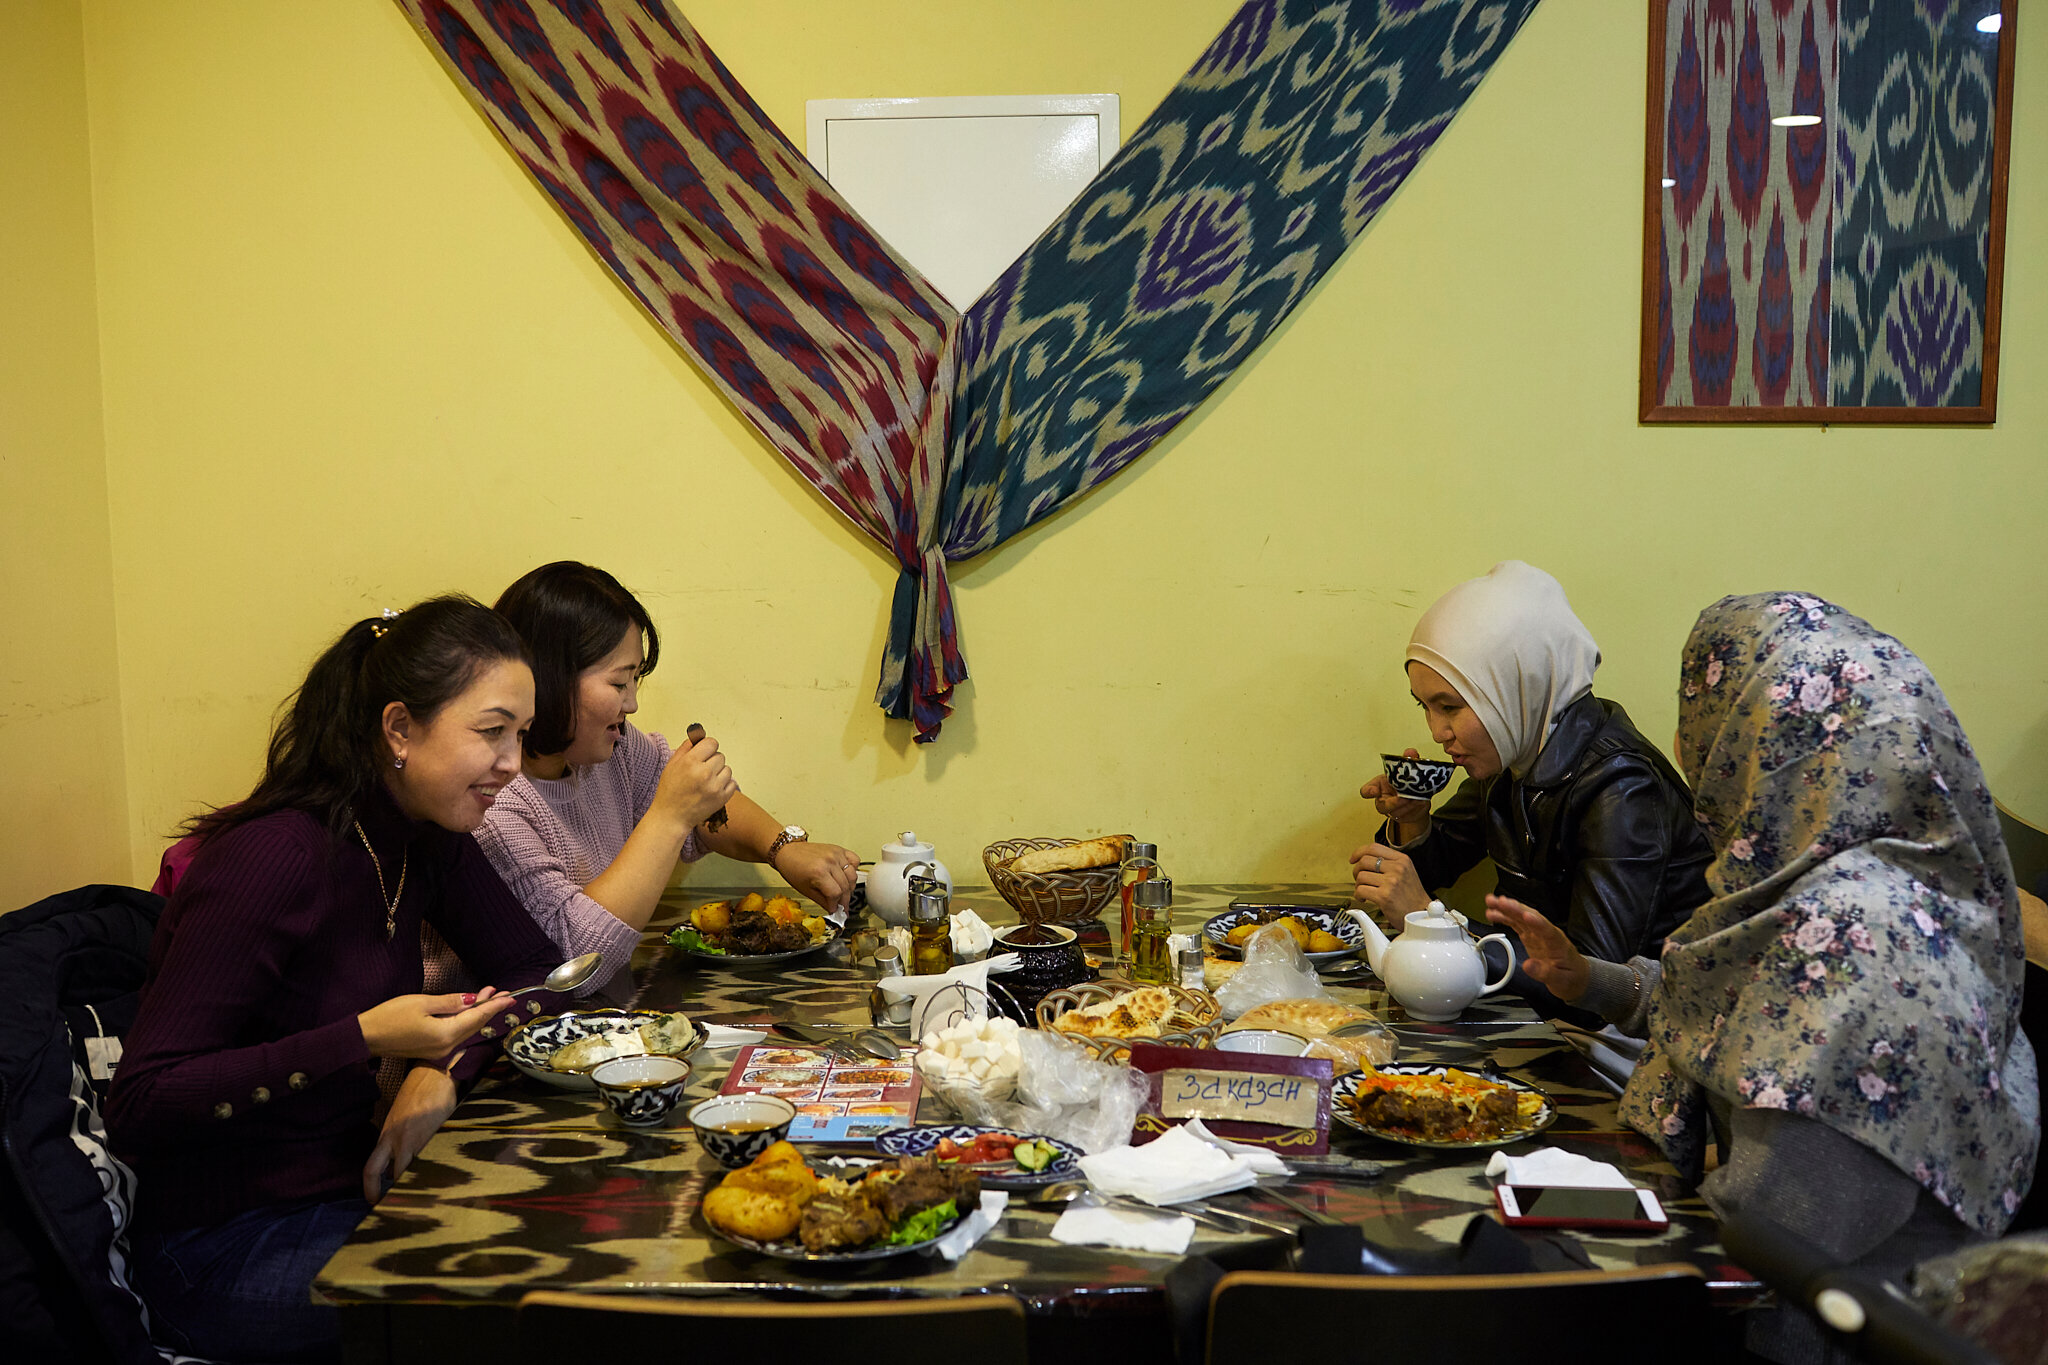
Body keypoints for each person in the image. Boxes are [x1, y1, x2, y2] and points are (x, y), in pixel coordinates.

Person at [1491, 591, 2038, 1359]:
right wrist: (1594, 981)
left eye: (1706, 718)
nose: (1686, 742)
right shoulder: (1831, 875)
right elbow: (1751, 1019)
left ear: (1772, 739)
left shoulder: (1860, 936)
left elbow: (1790, 1216)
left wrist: (1641, 1188)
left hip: (1822, 1329)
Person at [106, 598, 572, 1364]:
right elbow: (143, 1100)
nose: (513, 763)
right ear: (399, 729)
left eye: (519, 735)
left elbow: (545, 972)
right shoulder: (272, 858)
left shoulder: (422, 833)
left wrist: (441, 1068)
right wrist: (358, 1038)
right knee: (511, 1297)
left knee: (558, 1227)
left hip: (337, 1196)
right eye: (491, 732)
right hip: (220, 1245)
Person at [475, 562, 858, 1000]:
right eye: (619, 682)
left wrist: (783, 848)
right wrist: (670, 814)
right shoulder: (491, 803)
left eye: (636, 680)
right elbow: (572, 965)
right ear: (550, 678)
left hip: (613, 1012)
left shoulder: (608, 752)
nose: (633, 703)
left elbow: (709, 811)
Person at [1351, 561, 1713, 1023]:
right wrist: (1413, 821)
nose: (1438, 732)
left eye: (1450, 706)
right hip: (1532, 1011)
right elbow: (1431, 873)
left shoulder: (1621, 787)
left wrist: (1435, 924)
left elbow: (1590, 983)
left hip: (1628, 1049)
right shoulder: (1515, 751)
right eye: (1425, 706)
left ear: (1514, 685)